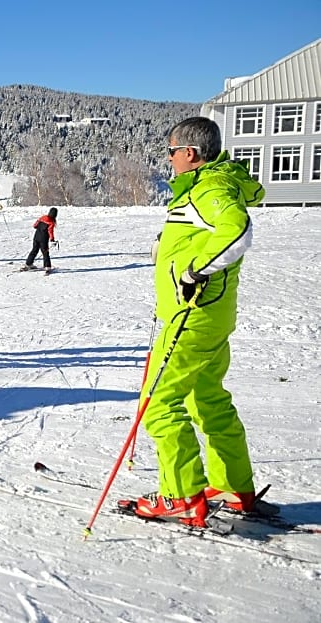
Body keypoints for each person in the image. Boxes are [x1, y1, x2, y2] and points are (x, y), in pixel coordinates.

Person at [131, 116, 266, 526]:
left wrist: (192, 270)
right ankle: (231, 484)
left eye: (171, 153)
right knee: (206, 399)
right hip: (209, 316)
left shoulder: (209, 188)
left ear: (188, 154)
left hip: (193, 314)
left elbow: (236, 230)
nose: (170, 160)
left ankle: (182, 495)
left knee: (158, 405)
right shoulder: (208, 186)